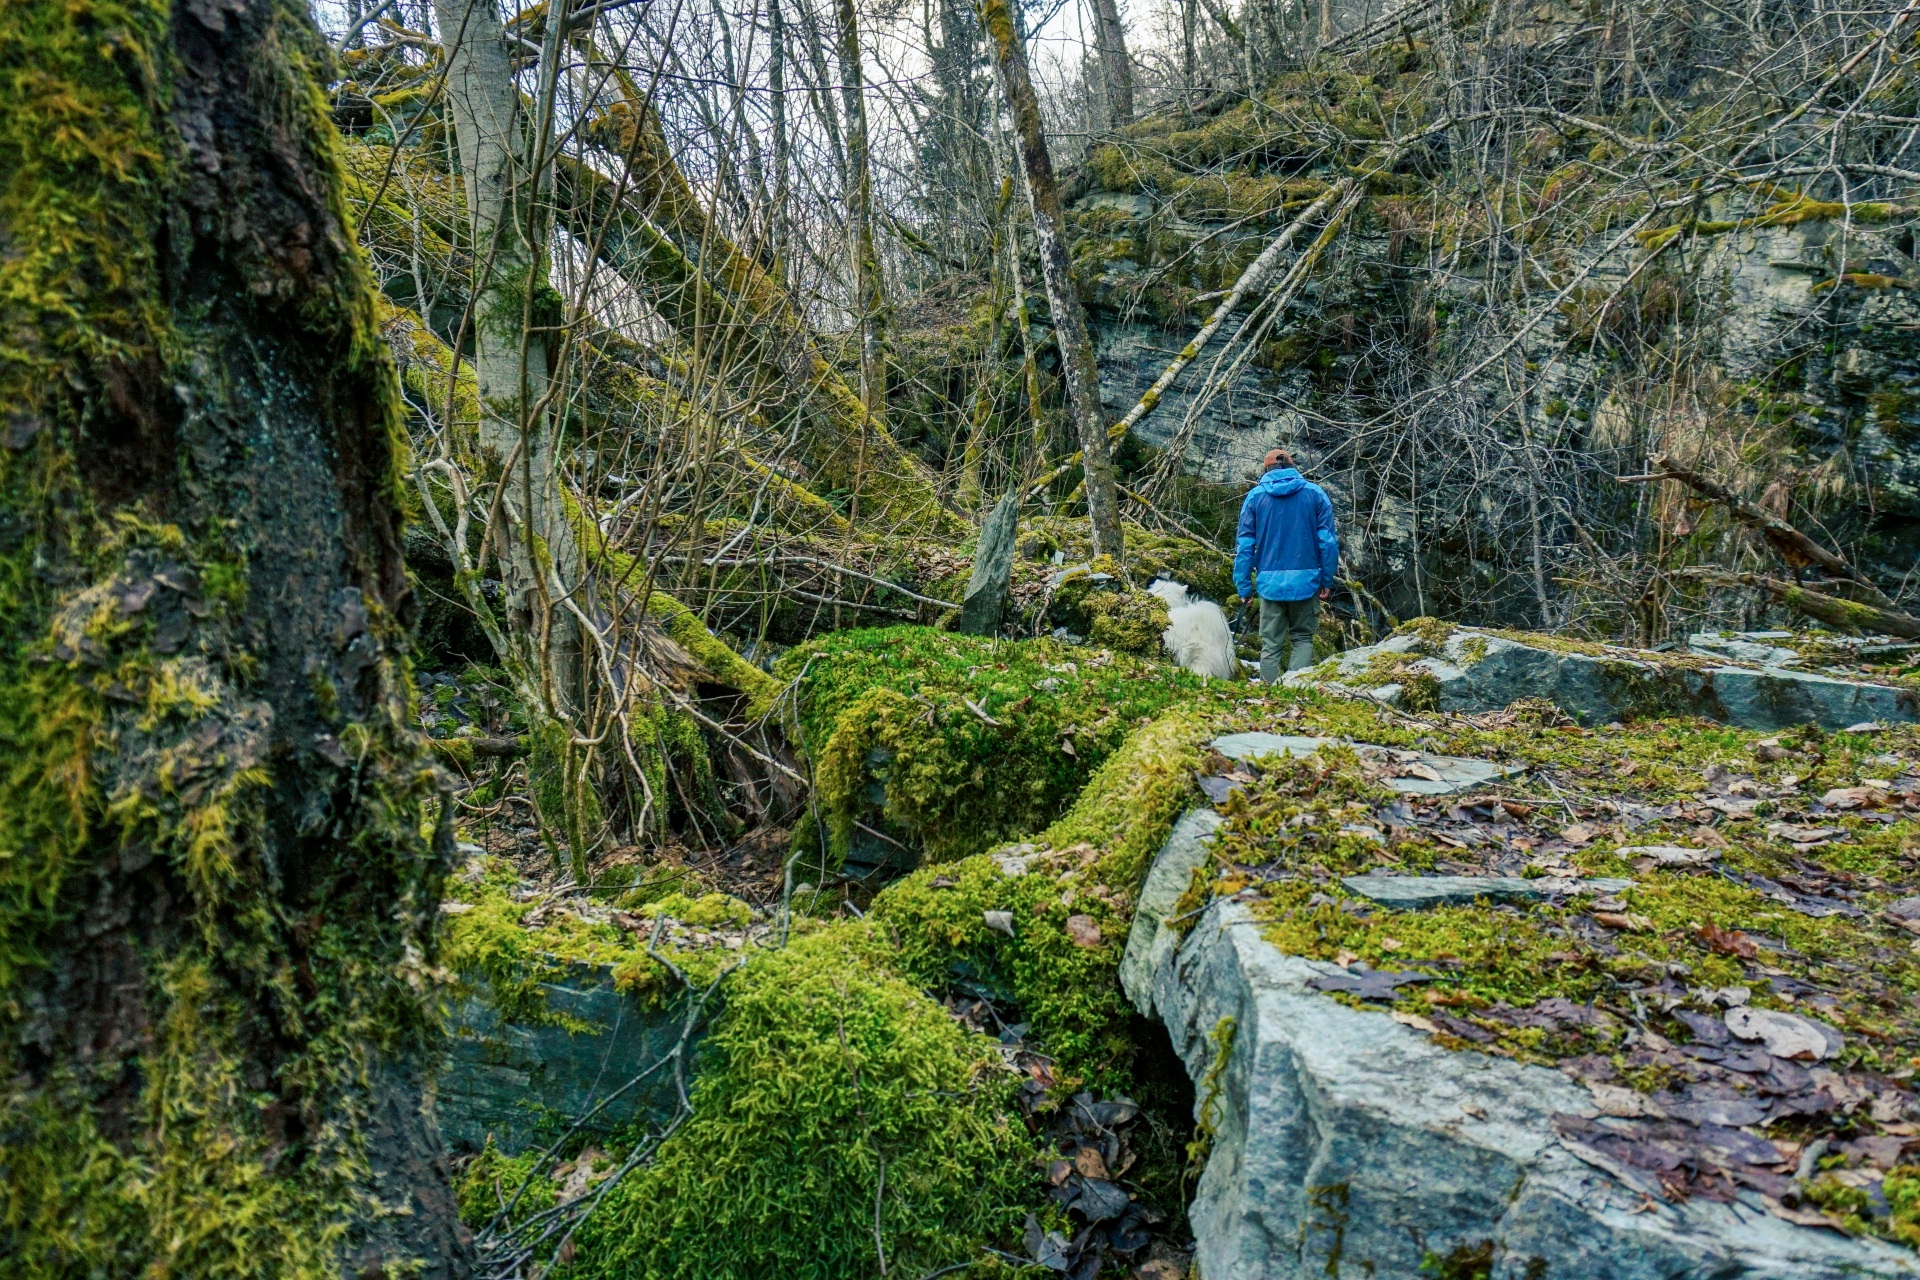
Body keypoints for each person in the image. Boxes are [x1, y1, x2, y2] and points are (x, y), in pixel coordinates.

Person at [1233, 448, 1339, 683]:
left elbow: (1244, 548)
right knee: (1302, 639)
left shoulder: (1255, 497)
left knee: (1270, 644)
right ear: (1292, 466)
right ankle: (1294, 693)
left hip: (1269, 585)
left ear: (1265, 469)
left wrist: (1243, 587)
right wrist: (1326, 579)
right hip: (1306, 581)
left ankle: (1269, 695)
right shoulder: (1315, 494)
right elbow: (1328, 543)